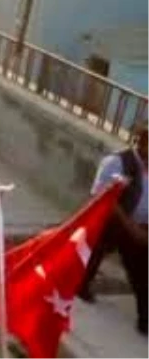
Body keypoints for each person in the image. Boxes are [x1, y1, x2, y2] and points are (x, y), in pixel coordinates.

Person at [79, 121, 149, 334]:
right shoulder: (117, 162)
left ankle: (146, 318)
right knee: (110, 234)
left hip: (141, 225)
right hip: (115, 223)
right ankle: (81, 283)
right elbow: (102, 199)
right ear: (143, 142)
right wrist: (132, 228)